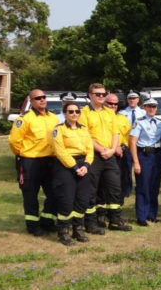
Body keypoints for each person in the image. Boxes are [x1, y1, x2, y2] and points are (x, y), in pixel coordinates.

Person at [79, 84, 131, 233]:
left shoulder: (109, 112)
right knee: (91, 190)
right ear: (90, 95)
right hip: (93, 155)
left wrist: (112, 150)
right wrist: (102, 150)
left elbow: (116, 133)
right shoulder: (84, 113)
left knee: (115, 188)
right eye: (97, 94)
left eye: (103, 94)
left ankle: (115, 220)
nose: (101, 97)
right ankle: (91, 223)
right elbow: (86, 135)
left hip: (110, 155)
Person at [9, 89, 60, 236]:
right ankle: (33, 226)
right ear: (31, 101)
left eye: (44, 97)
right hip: (31, 161)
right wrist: (23, 154)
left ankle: (47, 221)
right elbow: (14, 141)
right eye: (38, 98)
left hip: (50, 161)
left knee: (54, 193)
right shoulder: (24, 118)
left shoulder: (53, 118)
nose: (42, 100)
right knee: (31, 195)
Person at [51, 102, 94, 245]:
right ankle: (63, 231)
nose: (74, 114)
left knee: (82, 199)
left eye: (77, 111)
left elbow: (90, 149)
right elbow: (60, 151)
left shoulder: (84, 129)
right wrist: (75, 167)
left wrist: (87, 165)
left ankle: (78, 229)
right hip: (66, 166)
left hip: (83, 165)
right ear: (65, 113)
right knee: (67, 199)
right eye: (71, 111)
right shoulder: (59, 129)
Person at [130, 98, 161, 227]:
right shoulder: (139, 122)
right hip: (143, 155)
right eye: (149, 106)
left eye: (154, 107)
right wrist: (136, 162)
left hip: (157, 155)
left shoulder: (160, 122)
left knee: (154, 186)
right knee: (143, 186)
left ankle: (152, 214)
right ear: (144, 107)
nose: (152, 109)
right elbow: (133, 142)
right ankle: (141, 216)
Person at [117, 90, 145, 197]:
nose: (132, 100)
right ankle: (127, 190)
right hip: (127, 145)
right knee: (126, 168)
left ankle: (140, 187)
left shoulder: (143, 112)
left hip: (140, 144)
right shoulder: (121, 113)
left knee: (141, 167)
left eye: (134, 98)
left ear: (138, 100)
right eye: (130, 98)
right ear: (127, 100)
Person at [107, 94, 132, 204]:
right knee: (106, 183)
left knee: (122, 181)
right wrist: (113, 147)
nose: (113, 106)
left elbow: (127, 136)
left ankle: (118, 208)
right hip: (106, 153)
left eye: (115, 104)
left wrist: (121, 147)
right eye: (110, 103)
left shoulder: (123, 118)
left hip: (121, 154)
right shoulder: (102, 118)